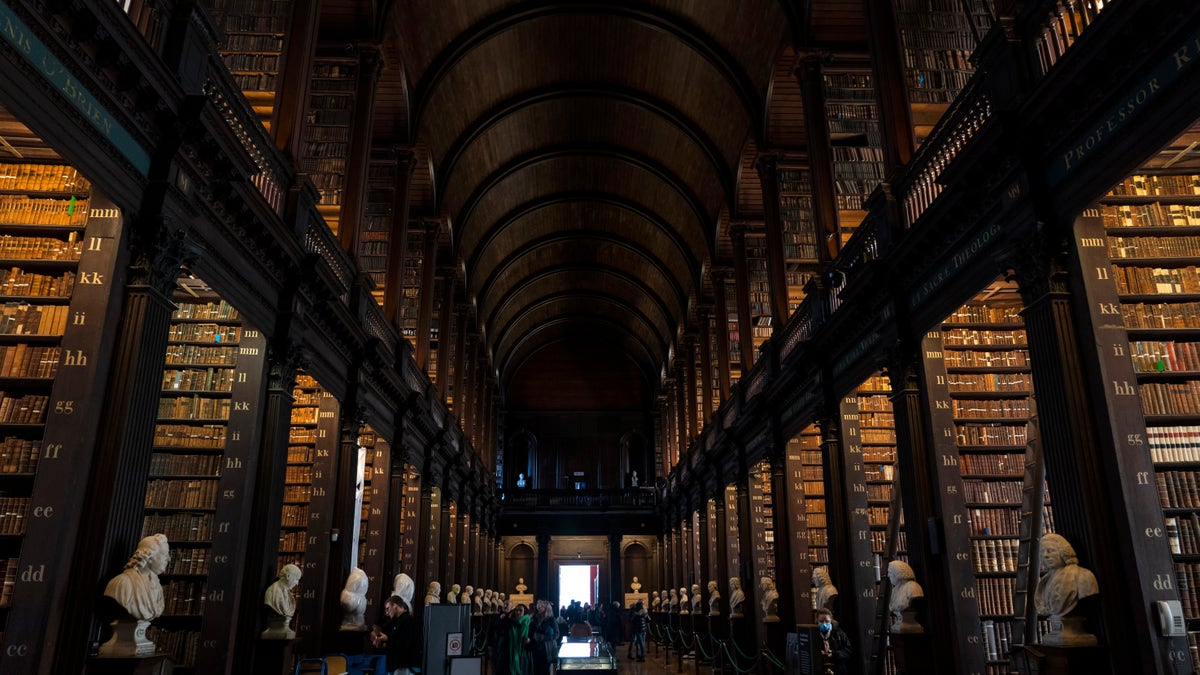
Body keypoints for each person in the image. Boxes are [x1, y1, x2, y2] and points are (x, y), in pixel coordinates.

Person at [104, 534, 170, 621]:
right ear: (149, 556)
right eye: (165, 555)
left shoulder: (157, 587)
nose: (168, 559)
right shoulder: (122, 583)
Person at [370, 595, 420, 675]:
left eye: (388, 608)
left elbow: (404, 645)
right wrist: (382, 643)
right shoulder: (397, 621)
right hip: (395, 665)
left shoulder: (408, 620)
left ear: (395, 606)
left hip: (404, 666)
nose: (387, 613)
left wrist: (387, 639)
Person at [887, 561, 924, 633]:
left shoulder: (913, 587)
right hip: (899, 626)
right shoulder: (895, 590)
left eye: (890, 572)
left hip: (911, 626)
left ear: (897, 573)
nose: (888, 575)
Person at [815, 608, 852, 675]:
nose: (824, 624)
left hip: (838, 669)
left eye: (827, 621)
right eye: (821, 621)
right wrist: (818, 654)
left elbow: (848, 651)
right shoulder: (813, 633)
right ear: (817, 620)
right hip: (819, 669)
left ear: (831, 620)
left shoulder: (840, 633)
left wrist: (834, 653)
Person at [528, 599, 559, 675]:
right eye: (538, 605)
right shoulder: (533, 617)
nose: (539, 607)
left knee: (545, 669)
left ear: (546, 608)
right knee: (535, 669)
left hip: (547, 648)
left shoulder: (551, 619)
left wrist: (545, 637)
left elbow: (557, 634)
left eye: (541, 606)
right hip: (535, 646)